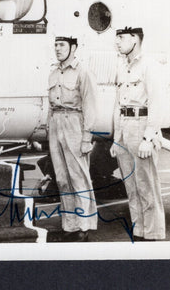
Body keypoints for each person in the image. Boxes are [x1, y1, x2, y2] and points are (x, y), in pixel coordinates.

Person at [110, 26, 165, 241]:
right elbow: (117, 105)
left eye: (121, 38)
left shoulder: (150, 66)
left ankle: (154, 235)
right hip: (124, 127)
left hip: (142, 126)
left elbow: (157, 103)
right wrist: (116, 139)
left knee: (147, 185)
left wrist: (148, 138)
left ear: (135, 39)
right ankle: (139, 231)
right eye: (116, 38)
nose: (117, 42)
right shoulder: (122, 67)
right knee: (131, 186)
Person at [48, 35, 98, 241]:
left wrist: (87, 137)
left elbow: (90, 105)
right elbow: (50, 106)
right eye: (56, 45)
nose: (58, 49)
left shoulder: (83, 72)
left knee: (78, 177)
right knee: (62, 178)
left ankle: (83, 226)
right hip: (56, 124)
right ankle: (69, 225)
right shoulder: (53, 72)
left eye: (62, 45)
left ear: (73, 48)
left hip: (74, 124)